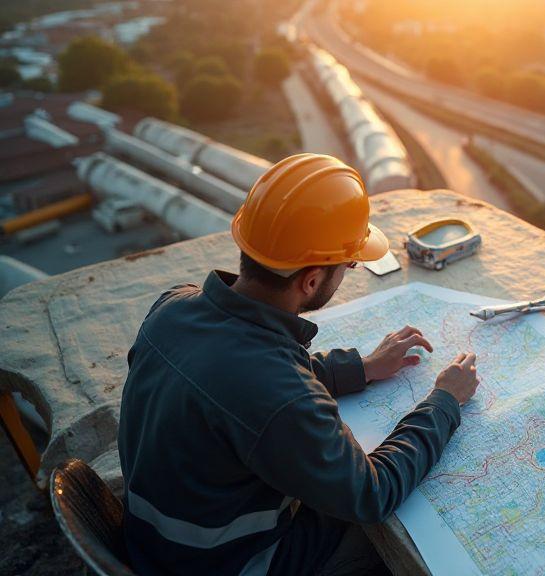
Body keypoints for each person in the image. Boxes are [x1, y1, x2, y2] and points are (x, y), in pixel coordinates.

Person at [117, 154, 480, 576]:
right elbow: (371, 493)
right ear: (310, 280)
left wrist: (360, 367)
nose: (349, 271)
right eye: (349, 264)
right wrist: (444, 402)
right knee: (395, 542)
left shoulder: (173, 307)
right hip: (225, 563)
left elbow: (247, 382)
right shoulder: (280, 395)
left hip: (154, 540)